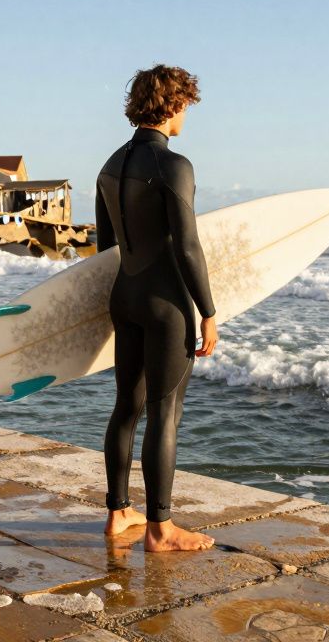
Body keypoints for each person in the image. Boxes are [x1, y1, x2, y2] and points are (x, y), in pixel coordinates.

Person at [95, 64, 219, 552]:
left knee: (127, 406)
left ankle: (118, 512)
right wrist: (207, 311)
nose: (186, 114)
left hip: (123, 297)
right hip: (167, 306)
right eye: (185, 105)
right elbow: (188, 247)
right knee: (165, 412)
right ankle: (161, 530)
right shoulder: (175, 166)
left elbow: (107, 248)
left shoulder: (109, 165)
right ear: (172, 105)